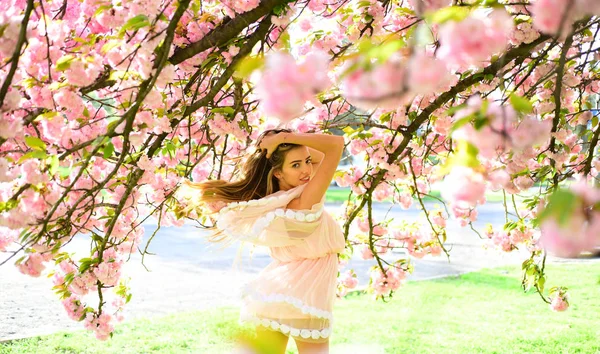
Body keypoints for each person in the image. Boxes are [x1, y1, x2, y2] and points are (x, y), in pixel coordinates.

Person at [184, 129, 346, 354]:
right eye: (296, 165)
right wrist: (283, 139)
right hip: (309, 284)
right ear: (278, 173)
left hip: (282, 281)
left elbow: (320, 154)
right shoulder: (306, 198)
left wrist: (287, 143)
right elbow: (335, 144)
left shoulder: (275, 202)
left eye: (306, 162)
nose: (307, 169)